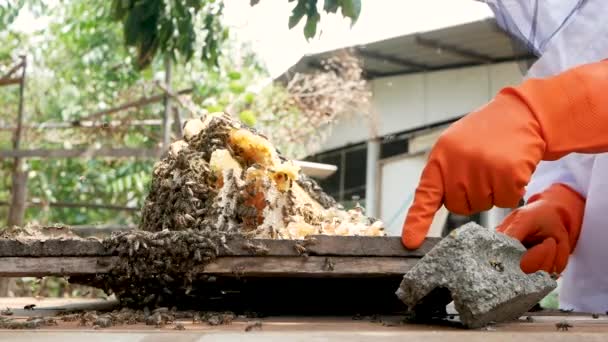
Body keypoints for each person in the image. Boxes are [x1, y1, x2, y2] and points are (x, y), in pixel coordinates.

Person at [401, 0, 608, 312]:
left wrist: (546, 112)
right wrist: (564, 202)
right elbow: (585, 164)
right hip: (591, 310)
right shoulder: (587, 22)